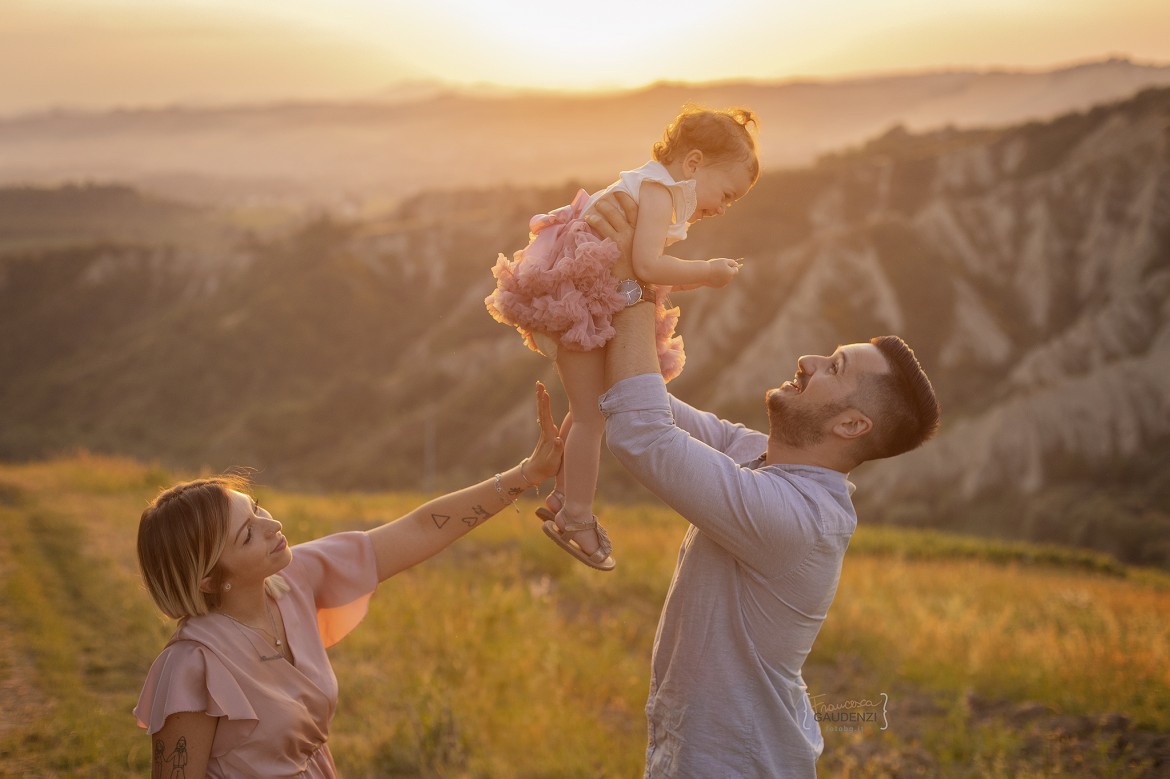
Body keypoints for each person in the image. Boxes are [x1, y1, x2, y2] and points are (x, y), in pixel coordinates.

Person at [585, 193, 941, 777]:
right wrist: (608, 267)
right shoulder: (759, 456)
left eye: (834, 368)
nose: (806, 360)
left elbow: (643, 435)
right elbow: (645, 400)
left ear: (852, 425)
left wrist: (634, 276)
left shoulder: (797, 520)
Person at [133, 382, 564, 778]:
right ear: (207, 580)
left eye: (258, 509)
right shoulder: (193, 665)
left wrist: (528, 473)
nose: (274, 525)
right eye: (248, 534)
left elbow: (418, 529)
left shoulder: (295, 578)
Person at [485, 106, 760, 571]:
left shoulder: (655, 188)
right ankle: (576, 517)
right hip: (578, 292)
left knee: (586, 407)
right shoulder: (659, 193)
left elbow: (639, 266)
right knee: (593, 417)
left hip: (587, 290)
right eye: (727, 192)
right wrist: (709, 273)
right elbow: (649, 267)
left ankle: (562, 497)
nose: (723, 206)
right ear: (693, 164)